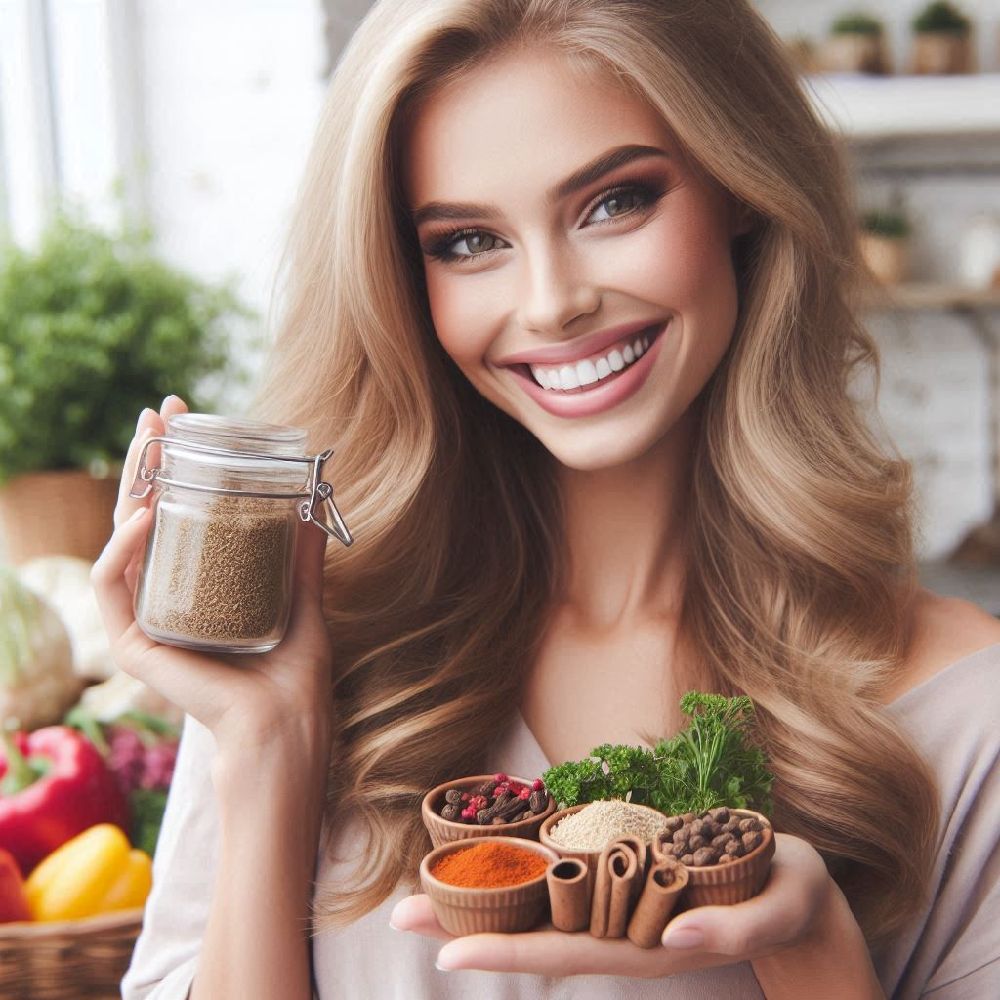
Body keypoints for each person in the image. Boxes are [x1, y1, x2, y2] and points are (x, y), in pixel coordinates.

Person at [102, 1, 1000, 997]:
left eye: (613, 202)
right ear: (402, 277)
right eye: (468, 242)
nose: (551, 302)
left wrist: (808, 943)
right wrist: (271, 744)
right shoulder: (311, 643)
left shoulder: (967, 716)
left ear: (740, 186)